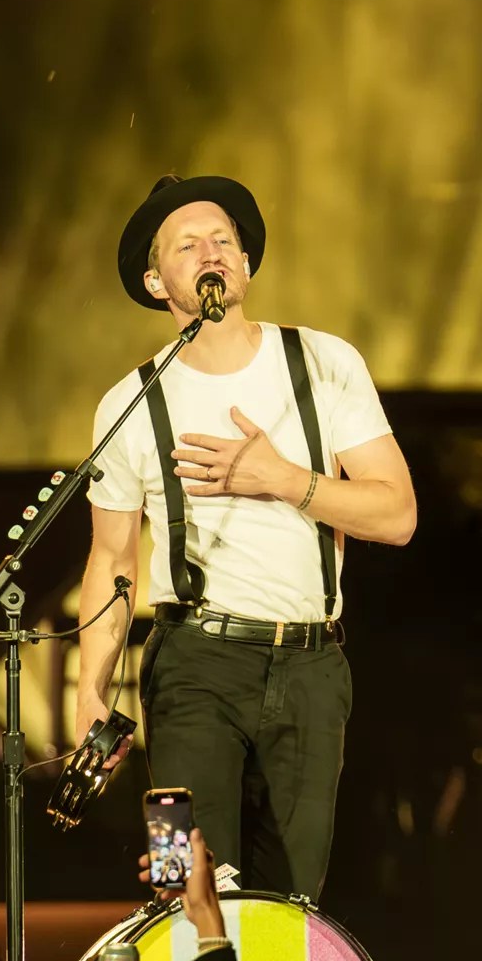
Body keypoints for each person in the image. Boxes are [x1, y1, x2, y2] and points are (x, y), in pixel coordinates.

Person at [74, 175, 417, 902]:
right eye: (188, 243)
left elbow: (398, 516)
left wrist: (283, 478)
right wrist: (89, 694)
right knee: (181, 883)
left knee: (294, 899)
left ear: (248, 265)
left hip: (312, 664)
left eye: (225, 239)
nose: (213, 252)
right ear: (154, 278)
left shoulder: (324, 362)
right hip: (189, 663)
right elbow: (110, 558)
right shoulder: (130, 400)